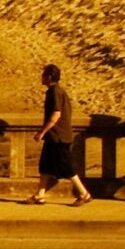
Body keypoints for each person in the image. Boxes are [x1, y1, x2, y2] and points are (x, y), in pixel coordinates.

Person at [30, 63, 91, 205]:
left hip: (58, 137)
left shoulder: (55, 92)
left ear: (49, 77)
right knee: (45, 165)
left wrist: (42, 132)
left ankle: (84, 194)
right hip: (54, 137)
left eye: (43, 74)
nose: (41, 77)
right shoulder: (56, 91)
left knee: (67, 167)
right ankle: (40, 195)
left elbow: (56, 114)